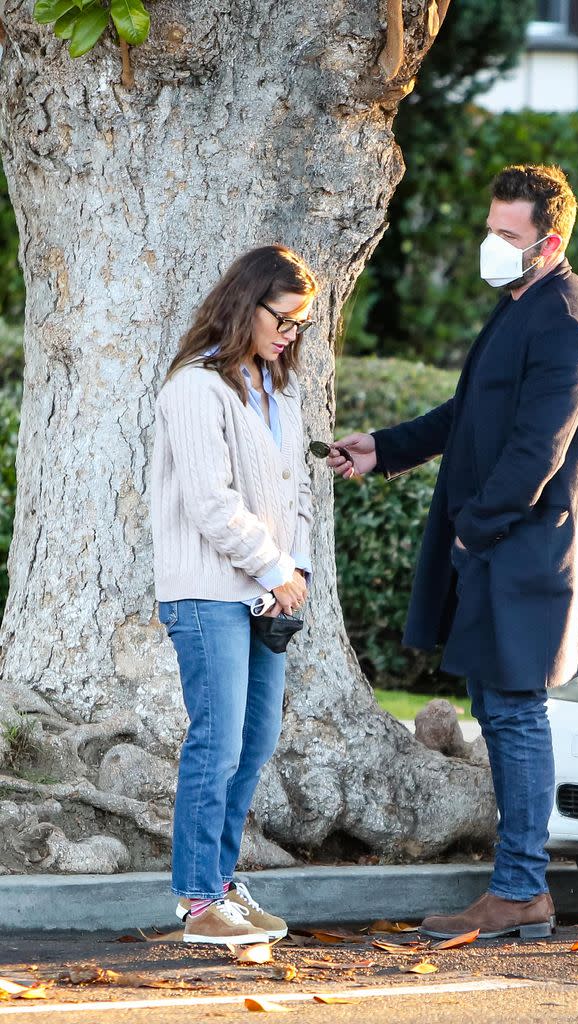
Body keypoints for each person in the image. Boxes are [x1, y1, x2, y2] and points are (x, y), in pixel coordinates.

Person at [330, 165, 578, 939]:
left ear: (549, 243)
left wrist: (472, 526)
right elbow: (471, 411)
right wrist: (383, 449)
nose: (491, 245)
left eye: (507, 236)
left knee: (515, 715)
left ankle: (522, 889)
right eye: (490, 228)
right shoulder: (522, 304)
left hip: (524, 551)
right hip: (501, 545)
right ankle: (517, 888)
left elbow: (537, 449)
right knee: (499, 708)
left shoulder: (565, 319)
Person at [151, 245, 317, 945]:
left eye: (301, 324)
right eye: (283, 318)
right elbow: (209, 502)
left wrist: (295, 570)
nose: (290, 334)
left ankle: (221, 885)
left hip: (266, 593)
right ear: (244, 304)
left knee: (254, 743)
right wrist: (274, 568)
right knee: (216, 742)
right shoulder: (195, 387)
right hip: (207, 592)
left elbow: (297, 493)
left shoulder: (279, 390)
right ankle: (196, 900)